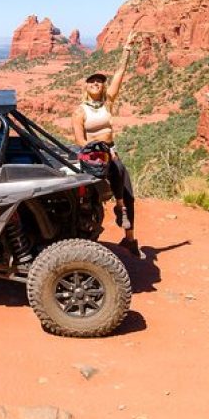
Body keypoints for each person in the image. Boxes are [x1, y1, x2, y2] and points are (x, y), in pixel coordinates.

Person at [71, 32, 141, 257]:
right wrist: (96, 149)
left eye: (99, 81)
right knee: (114, 170)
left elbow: (120, 74)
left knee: (127, 188)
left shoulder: (107, 103)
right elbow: (80, 140)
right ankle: (118, 208)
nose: (96, 84)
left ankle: (129, 238)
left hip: (111, 152)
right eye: (92, 81)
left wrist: (127, 50)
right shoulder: (79, 111)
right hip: (93, 156)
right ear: (86, 87)